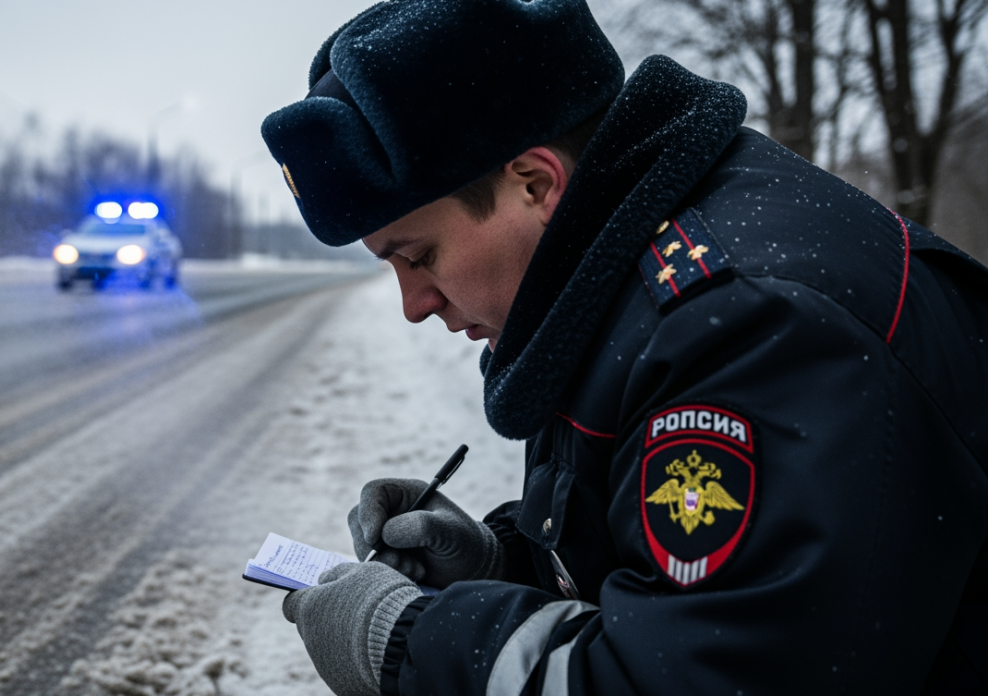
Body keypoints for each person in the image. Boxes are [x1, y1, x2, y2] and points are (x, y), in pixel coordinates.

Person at [260, 1, 988, 694]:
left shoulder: (749, 329)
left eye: (418, 257)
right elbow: (687, 580)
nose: (415, 305)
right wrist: (503, 563)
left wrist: (408, 643)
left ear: (534, 183)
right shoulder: (628, 266)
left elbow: (701, 677)